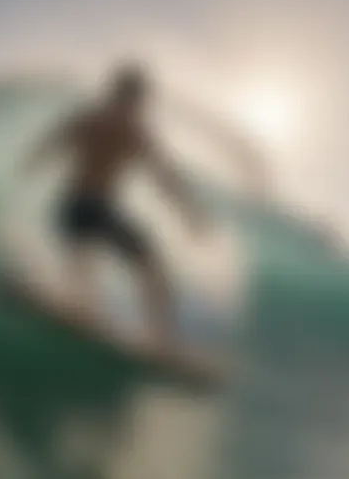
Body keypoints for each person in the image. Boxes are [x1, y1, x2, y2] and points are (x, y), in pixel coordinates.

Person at [19, 62, 264, 352]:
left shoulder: (124, 131)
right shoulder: (102, 125)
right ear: (124, 96)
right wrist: (34, 159)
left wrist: (190, 213)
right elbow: (55, 140)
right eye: (133, 98)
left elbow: (164, 177)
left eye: (135, 100)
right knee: (94, 270)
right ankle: (112, 322)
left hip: (91, 208)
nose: (134, 106)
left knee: (148, 268)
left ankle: (158, 338)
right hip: (81, 206)